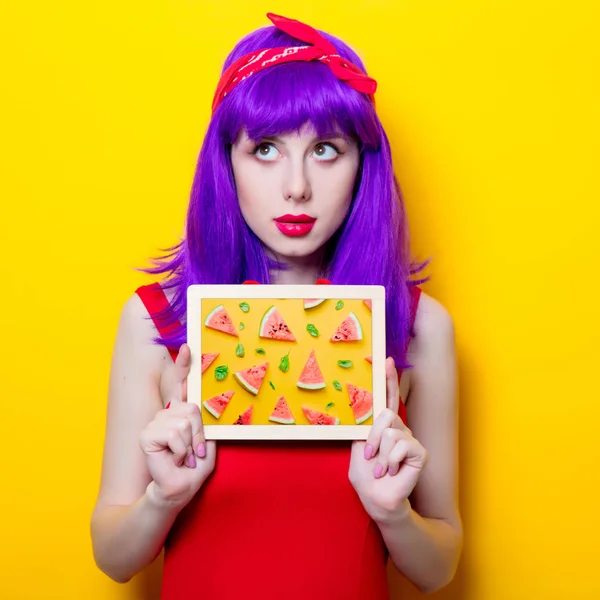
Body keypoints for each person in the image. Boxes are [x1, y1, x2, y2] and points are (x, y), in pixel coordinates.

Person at [90, 12, 463, 599]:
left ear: (363, 162)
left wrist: (392, 513)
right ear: (226, 162)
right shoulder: (154, 320)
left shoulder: (419, 327)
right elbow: (113, 557)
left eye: (325, 149)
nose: (296, 187)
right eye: (264, 148)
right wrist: (165, 497)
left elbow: (440, 566)